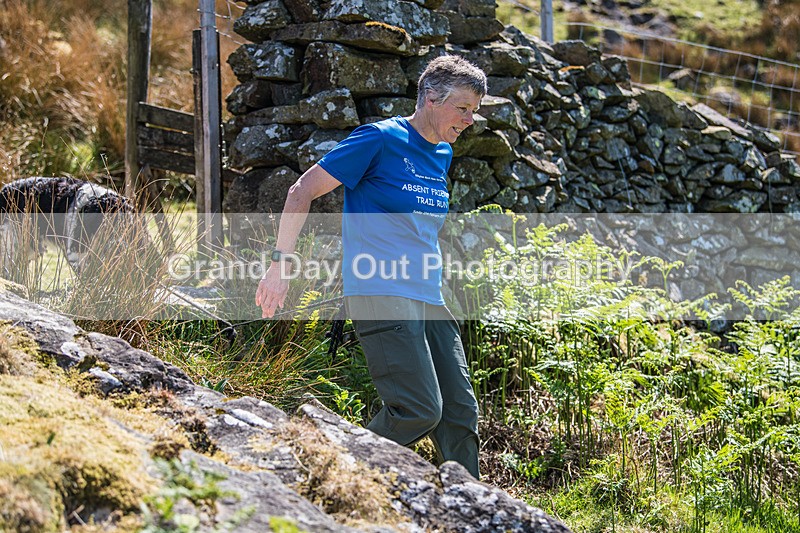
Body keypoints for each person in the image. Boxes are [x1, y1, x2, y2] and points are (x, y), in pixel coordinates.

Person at [255, 55, 487, 479]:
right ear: (432, 98)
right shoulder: (379, 139)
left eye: (475, 110)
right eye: (464, 108)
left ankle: (470, 506)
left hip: (429, 296)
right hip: (381, 290)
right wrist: (280, 264)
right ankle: (331, 471)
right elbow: (301, 190)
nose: (471, 119)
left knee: (459, 411)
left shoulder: (442, 154)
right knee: (418, 409)